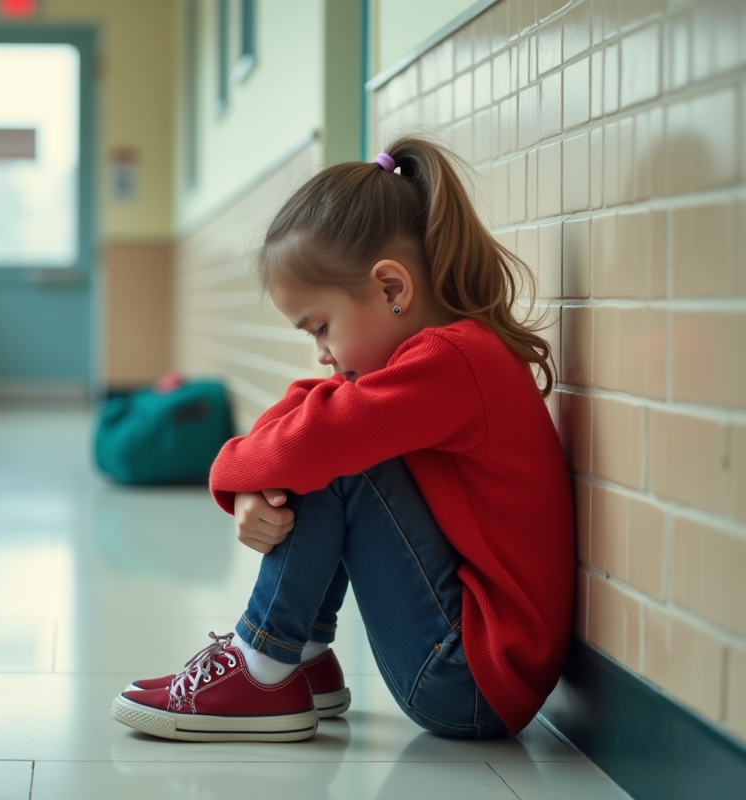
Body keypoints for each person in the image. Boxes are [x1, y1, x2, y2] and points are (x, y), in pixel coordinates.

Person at [111, 137, 575, 743]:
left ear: (390, 289)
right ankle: (300, 659)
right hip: (476, 671)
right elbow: (310, 399)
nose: (324, 353)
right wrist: (254, 482)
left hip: (468, 681)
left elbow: (317, 437)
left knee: (338, 458)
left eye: (322, 327)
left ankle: (264, 665)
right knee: (329, 440)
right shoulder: (444, 355)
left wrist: (231, 470)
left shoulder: (452, 360)